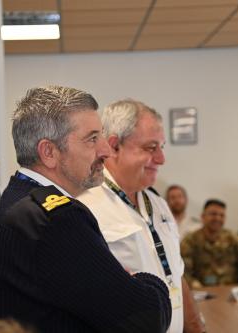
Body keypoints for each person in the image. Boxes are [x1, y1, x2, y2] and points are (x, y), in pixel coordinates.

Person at [0, 86, 172, 333]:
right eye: (92, 139)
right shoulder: (57, 219)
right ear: (49, 152)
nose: (105, 150)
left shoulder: (21, 197)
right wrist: (148, 281)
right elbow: (146, 319)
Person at [78, 99, 204, 333]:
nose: (161, 159)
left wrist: (196, 327)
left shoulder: (159, 205)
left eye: (161, 147)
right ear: (114, 146)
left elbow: (176, 275)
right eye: (150, 148)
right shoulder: (85, 206)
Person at [181, 199, 238, 289]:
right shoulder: (190, 241)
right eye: (213, 214)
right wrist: (197, 288)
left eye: (222, 215)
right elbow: (183, 273)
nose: (217, 218)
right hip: (200, 293)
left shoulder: (234, 239)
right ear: (203, 217)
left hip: (232, 293)